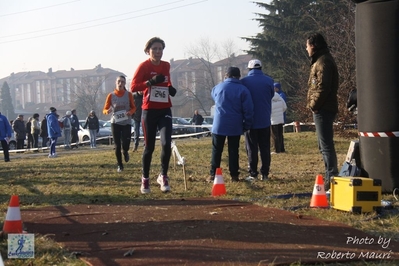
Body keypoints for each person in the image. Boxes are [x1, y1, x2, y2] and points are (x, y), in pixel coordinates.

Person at [130, 36, 177, 194]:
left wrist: (170, 88)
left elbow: (167, 81)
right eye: (155, 49)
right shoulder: (143, 66)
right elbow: (133, 86)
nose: (158, 52)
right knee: (149, 147)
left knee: (166, 143)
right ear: (148, 51)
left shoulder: (166, 65)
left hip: (165, 109)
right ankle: (145, 179)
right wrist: (150, 82)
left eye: (160, 49)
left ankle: (163, 176)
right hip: (149, 110)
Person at [208, 66, 253, 182]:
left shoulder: (217, 88)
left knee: (216, 150)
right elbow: (248, 109)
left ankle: (213, 174)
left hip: (219, 124)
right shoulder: (243, 90)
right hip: (235, 124)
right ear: (239, 76)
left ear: (226, 75)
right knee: (233, 150)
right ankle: (234, 175)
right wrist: (247, 125)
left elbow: (213, 96)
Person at [306, 33, 339, 191]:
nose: (306, 49)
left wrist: (314, 104)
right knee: (323, 144)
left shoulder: (323, 62)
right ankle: (330, 175)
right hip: (323, 107)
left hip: (323, 108)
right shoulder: (320, 60)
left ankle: (331, 177)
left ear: (313, 45)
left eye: (307, 46)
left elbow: (323, 87)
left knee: (326, 145)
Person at [241, 59, 274, 181]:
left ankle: (253, 173)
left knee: (251, 148)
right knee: (265, 148)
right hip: (265, 119)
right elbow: (271, 95)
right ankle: (265, 173)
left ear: (249, 69)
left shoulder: (244, 82)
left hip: (250, 121)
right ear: (261, 68)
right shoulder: (269, 81)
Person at [103, 75, 136, 172]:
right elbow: (104, 109)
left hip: (126, 122)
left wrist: (130, 112)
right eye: (119, 81)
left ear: (125, 83)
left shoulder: (128, 94)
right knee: (117, 145)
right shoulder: (111, 95)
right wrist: (107, 111)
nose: (120, 83)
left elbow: (134, 107)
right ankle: (120, 165)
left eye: (122, 82)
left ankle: (125, 152)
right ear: (116, 83)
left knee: (126, 143)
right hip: (115, 122)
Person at [274, 82, 287, 152]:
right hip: (280, 117)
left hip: (275, 119)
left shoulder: (281, 96)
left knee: (276, 134)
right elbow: (284, 107)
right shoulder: (281, 96)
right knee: (280, 134)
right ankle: (281, 148)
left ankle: (277, 149)